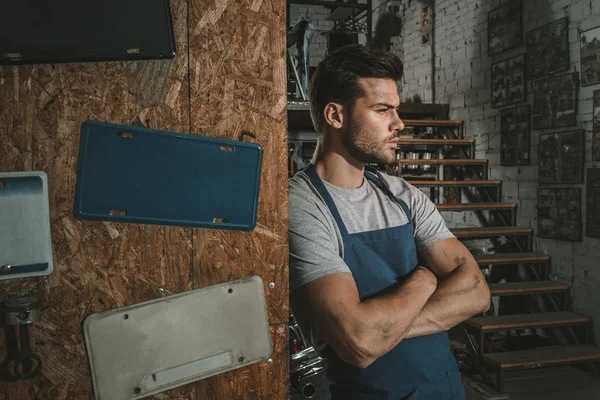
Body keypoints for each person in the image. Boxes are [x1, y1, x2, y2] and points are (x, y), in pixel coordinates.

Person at [288, 44, 491, 400]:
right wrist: (427, 278)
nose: (399, 123)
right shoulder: (302, 204)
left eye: (395, 110)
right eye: (382, 110)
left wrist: (383, 328)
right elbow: (359, 342)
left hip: (442, 388)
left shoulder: (403, 195)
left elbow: (476, 291)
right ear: (336, 116)